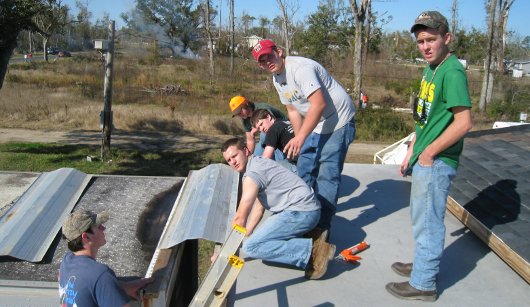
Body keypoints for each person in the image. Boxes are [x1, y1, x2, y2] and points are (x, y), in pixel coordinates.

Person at [385, 11, 473, 302]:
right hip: (423, 156)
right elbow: (425, 118)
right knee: (420, 218)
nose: (425, 45)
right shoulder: (431, 68)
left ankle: (423, 283)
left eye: (431, 39)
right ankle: (422, 265)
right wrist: (412, 147)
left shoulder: (452, 71)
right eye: (420, 40)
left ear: (446, 38)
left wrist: (430, 153)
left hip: (436, 161)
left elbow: (464, 123)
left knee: (429, 221)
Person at [251, 39, 356, 239]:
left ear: (279, 52)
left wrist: (301, 137)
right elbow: (292, 109)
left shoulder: (300, 69)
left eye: (269, 56)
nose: (267, 62)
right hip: (317, 123)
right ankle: (300, 214)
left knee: (327, 175)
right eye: (262, 61)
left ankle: (320, 229)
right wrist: (299, 141)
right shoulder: (277, 79)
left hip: (339, 120)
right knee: (304, 168)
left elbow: (318, 104)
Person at [221, 137, 336, 279]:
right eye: (229, 160)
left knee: (251, 247)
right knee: (255, 239)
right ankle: (313, 234)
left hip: (301, 212)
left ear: (245, 151)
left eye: (234, 156)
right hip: (306, 209)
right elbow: (258, 208)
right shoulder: (257, 163)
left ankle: (314, 251)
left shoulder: (252, 175)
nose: (233, 162)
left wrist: (224, 254)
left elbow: (240, 217)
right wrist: (248, 232)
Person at [59, 210, 154, 306]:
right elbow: (99, 280)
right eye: (99, 227)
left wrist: (124, 287)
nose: (103, 228)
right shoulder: (100, 273)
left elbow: (89, 285)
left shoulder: (66, 262)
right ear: (85, 236)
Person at [229, 95, 287, 160]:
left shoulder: (262, 108)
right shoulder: (245, 120)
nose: (239, 114)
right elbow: (250, 139)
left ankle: (281, 161)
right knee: (255, 158)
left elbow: (273, 126)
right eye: (237, 114)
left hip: (283, 131)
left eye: (240, 111)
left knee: (263, 136)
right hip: (267, 137)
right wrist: (248, 157)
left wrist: (257, 127)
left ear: (246, 104)